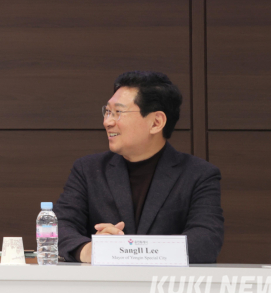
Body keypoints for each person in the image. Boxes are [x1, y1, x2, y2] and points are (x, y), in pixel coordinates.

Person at [54, 71, 224, 263]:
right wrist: (90, 250)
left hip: (164, 282)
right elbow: (57, 227)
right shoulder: (88, 170)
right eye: (107, 111)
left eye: (118, 112)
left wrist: (126, 251)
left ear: (156, 122)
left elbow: (206, 240)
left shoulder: (199, 174)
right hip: (103, 282)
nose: (107, 122)